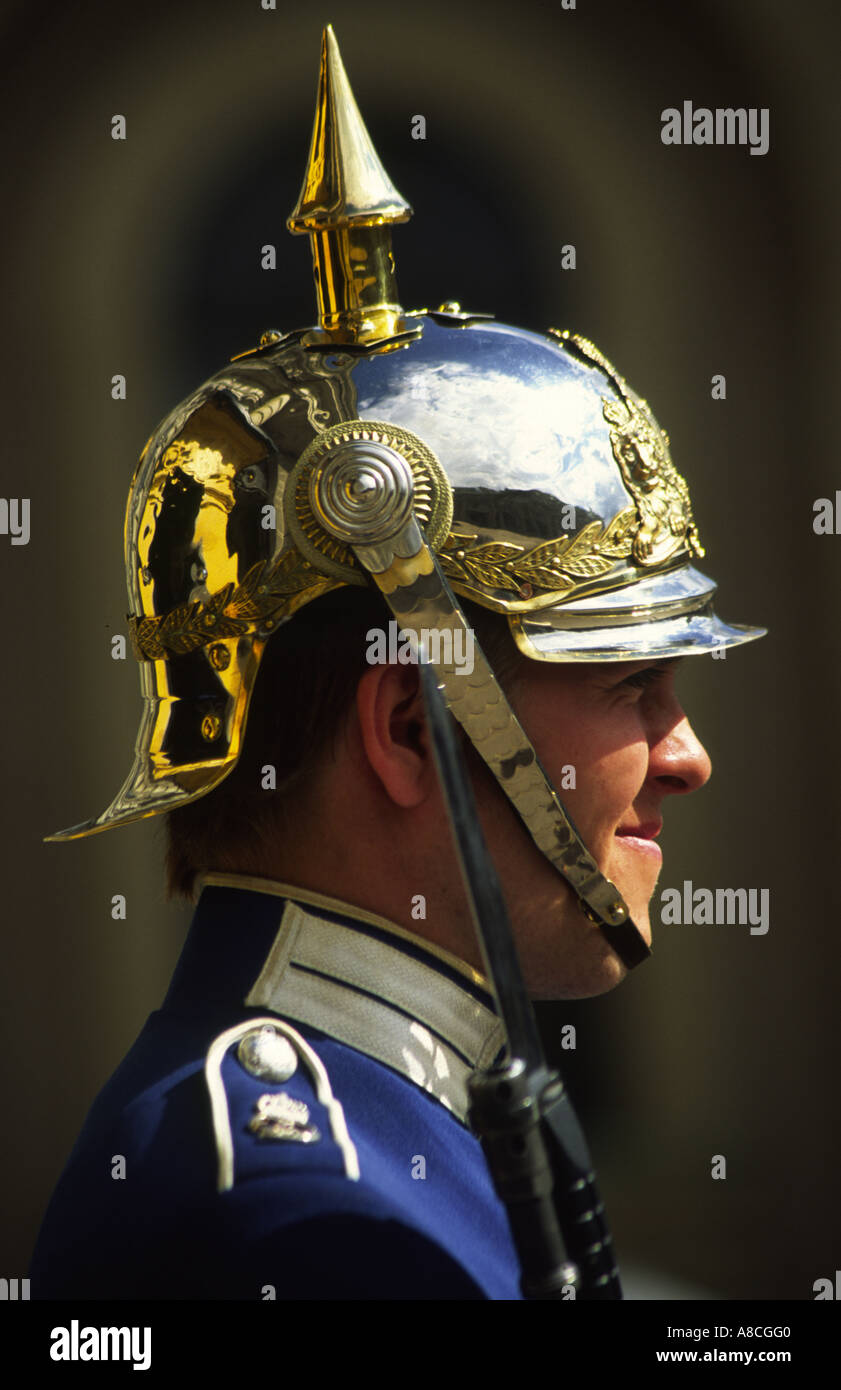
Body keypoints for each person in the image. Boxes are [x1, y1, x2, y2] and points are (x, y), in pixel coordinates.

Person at [30, 28, 763, 1300]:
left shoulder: (398, 1123)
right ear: (411, 729)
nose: (689, 754)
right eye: (628, 685)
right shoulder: (315, 1224)